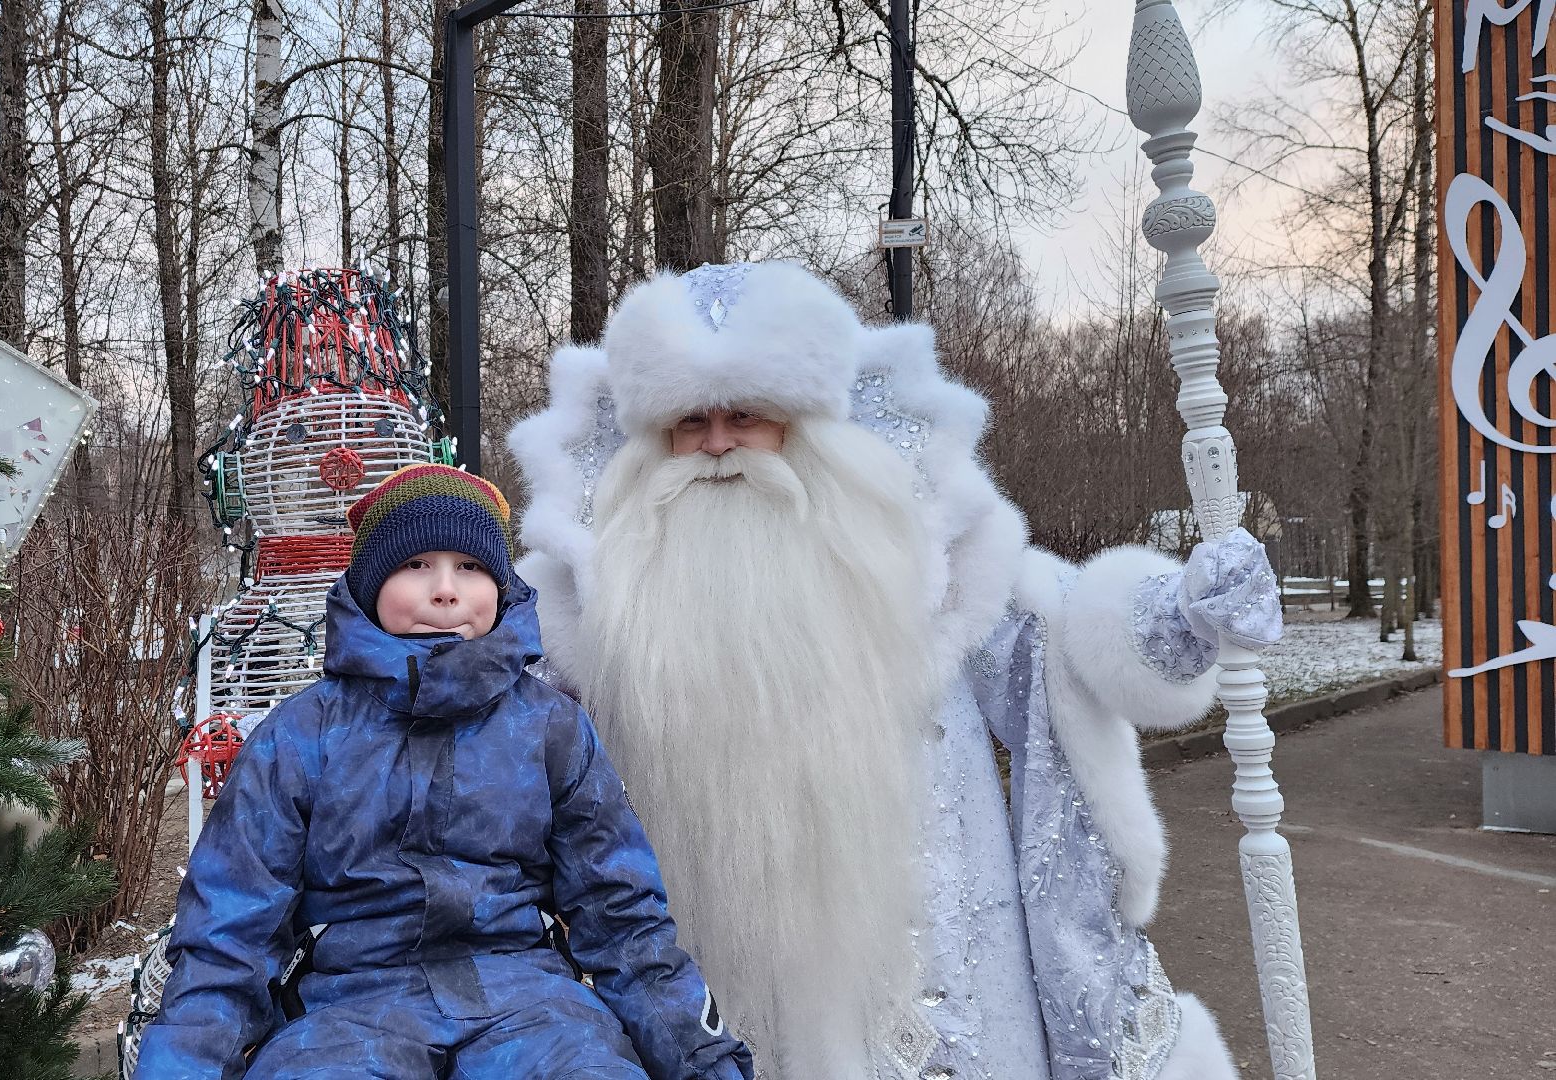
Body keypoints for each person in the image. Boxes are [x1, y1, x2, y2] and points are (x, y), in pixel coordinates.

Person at [509, 261, 1281, 1079]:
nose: (718, 444)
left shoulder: (928, 557)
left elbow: (1060, 646)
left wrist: (1183, 613)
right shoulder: (584, 594)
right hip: (701, 990)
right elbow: (491, 726)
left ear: (803, 425)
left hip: (934, 973)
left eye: (746, 415)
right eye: (689, 421)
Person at [132, 464, 752, 1080]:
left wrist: (704, 1062)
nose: (446, 589)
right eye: (416, 565)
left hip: (529, 1004)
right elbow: (228, 930)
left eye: (471, 567)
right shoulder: (300, 736)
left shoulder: (549, 729)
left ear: (501, 585)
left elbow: (622, 915)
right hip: (349, 1009)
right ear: (370, 585)